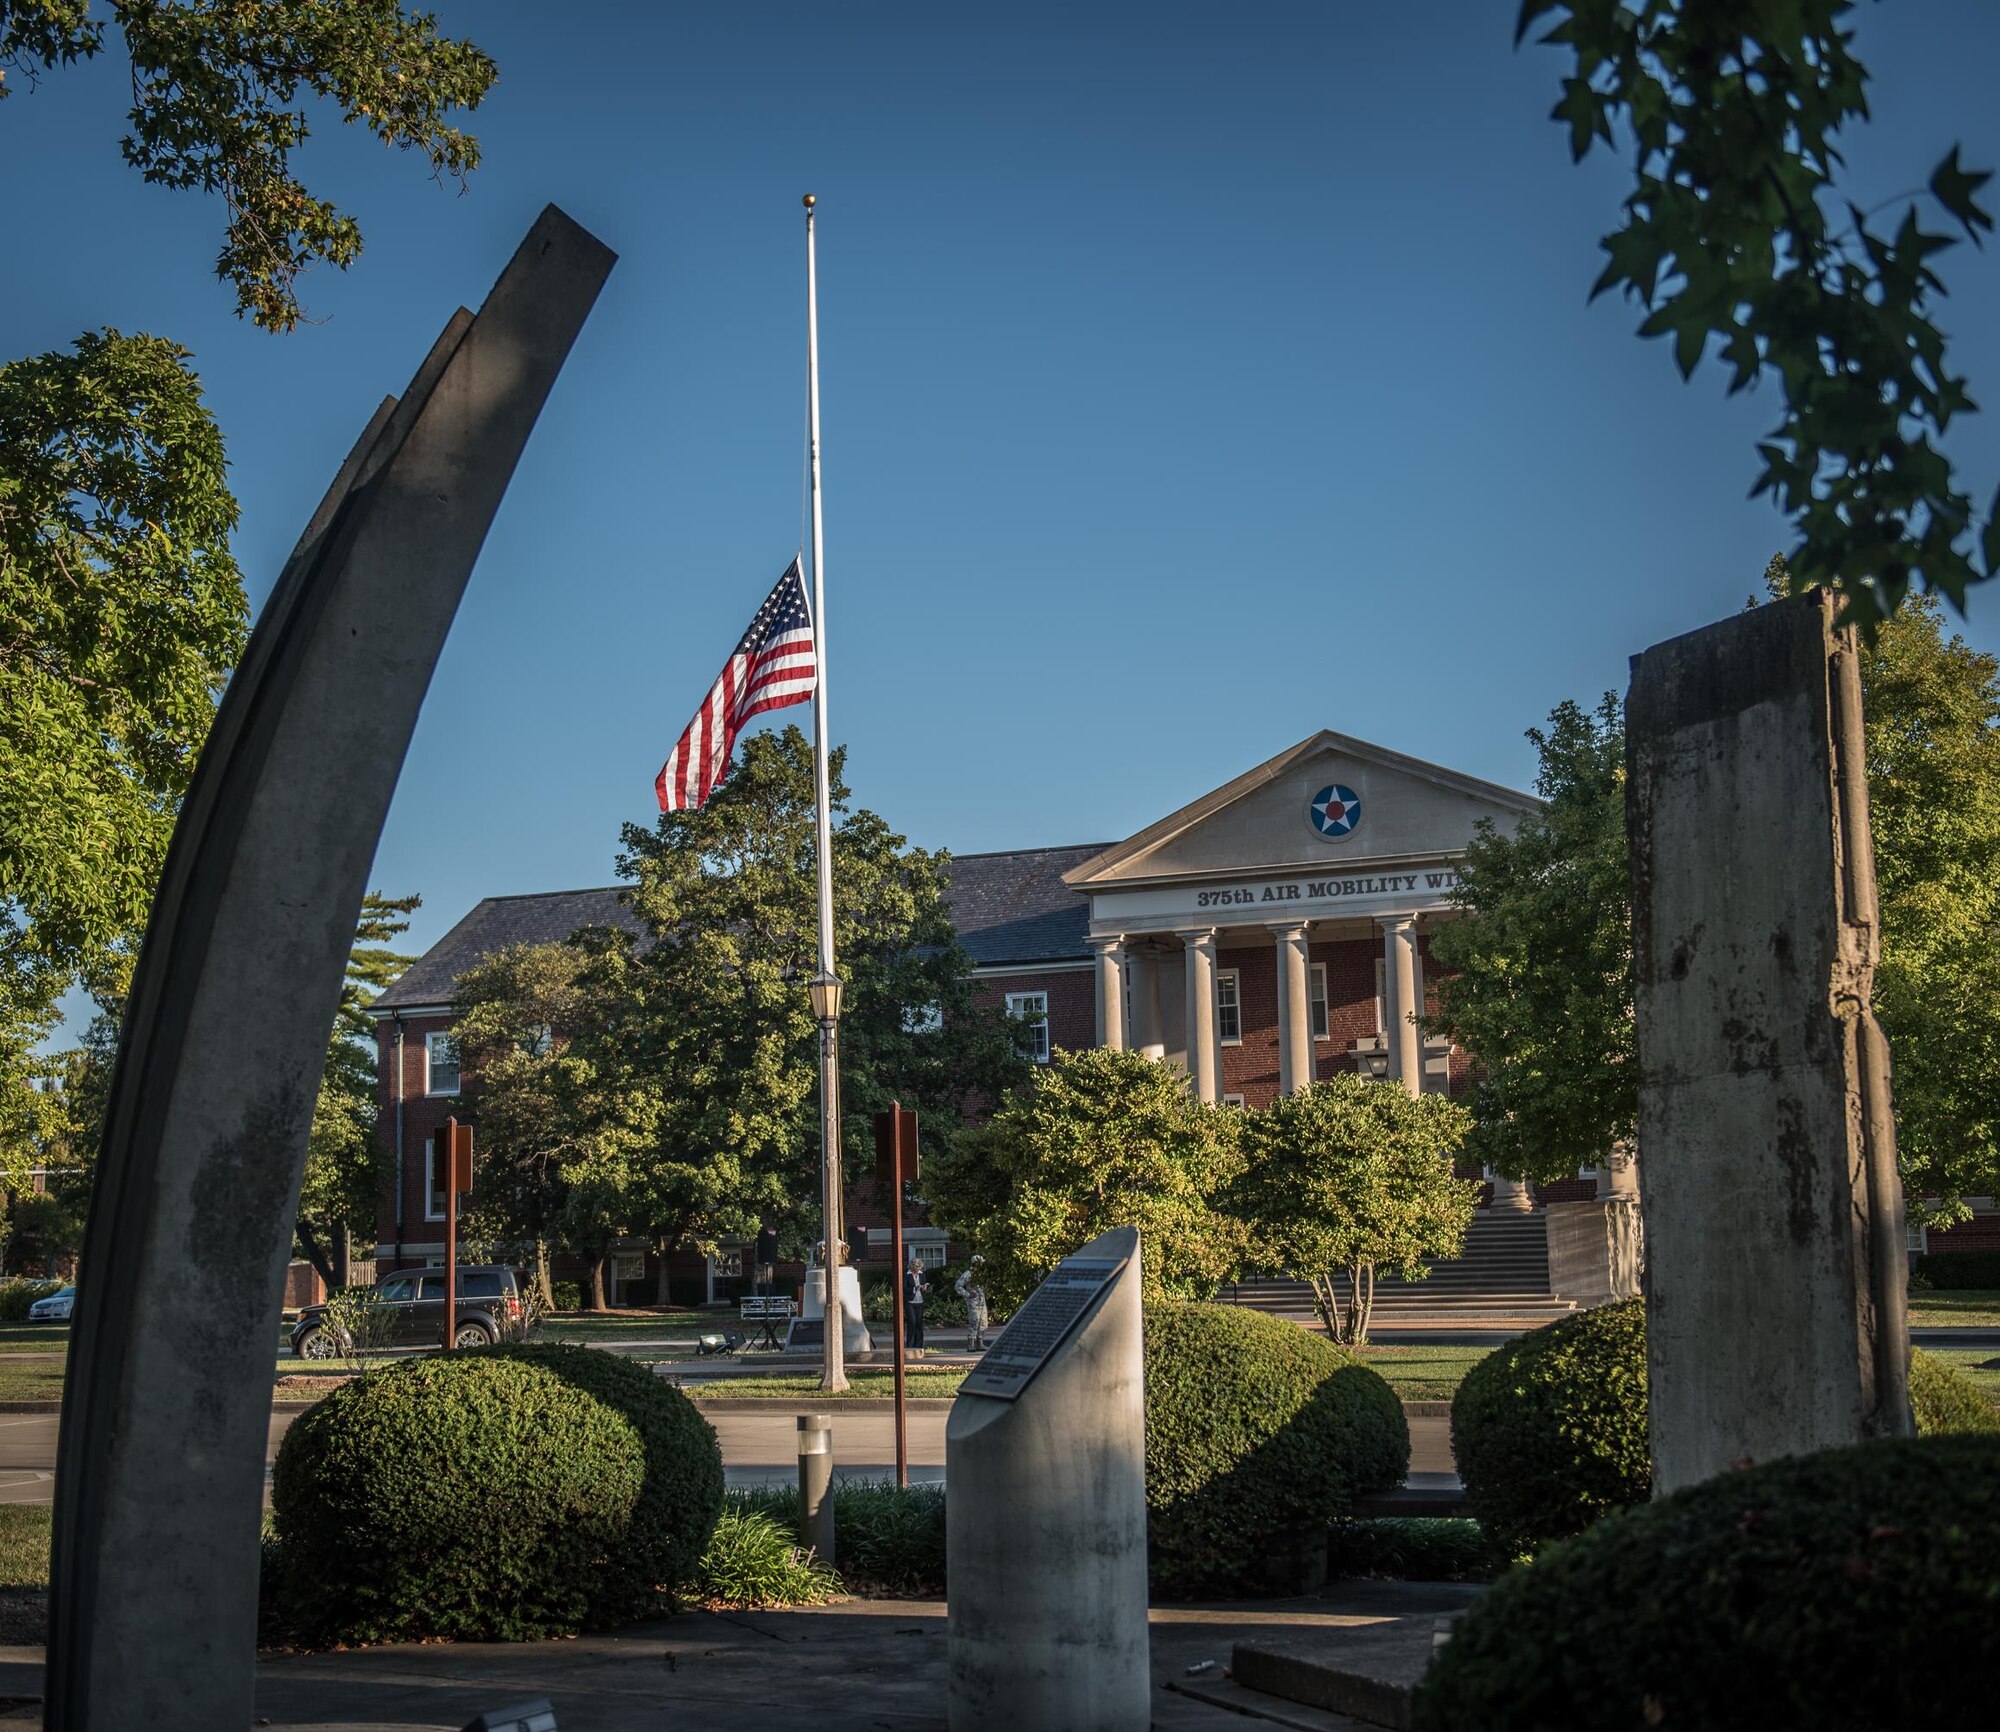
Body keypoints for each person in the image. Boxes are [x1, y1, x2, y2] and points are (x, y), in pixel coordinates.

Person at [955, 1256, 990, 1351]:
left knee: (983, 1323)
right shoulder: (968, 1274)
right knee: (974, 1322)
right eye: (981, 1263)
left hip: (982, 1302)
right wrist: (968, 1294)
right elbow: (958, 1286)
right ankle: (971, 1344)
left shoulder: (982, 1274)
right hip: (973, 1303)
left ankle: (980, 1343)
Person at [904, 1253, 927, 1354]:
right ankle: (910, 1344)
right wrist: (914, 1288)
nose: (918, 1270)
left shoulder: (921, 1274)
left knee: (919, 1323)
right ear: (912, 1267)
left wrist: (924, 1287)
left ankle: (919, 1345)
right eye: (917, 1267)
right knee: (912, 1322)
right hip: (910, 1301)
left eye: (919, 1267)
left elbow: (924, 1284)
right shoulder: (906, 1274)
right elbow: (904, 1288)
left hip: (920, 1301)